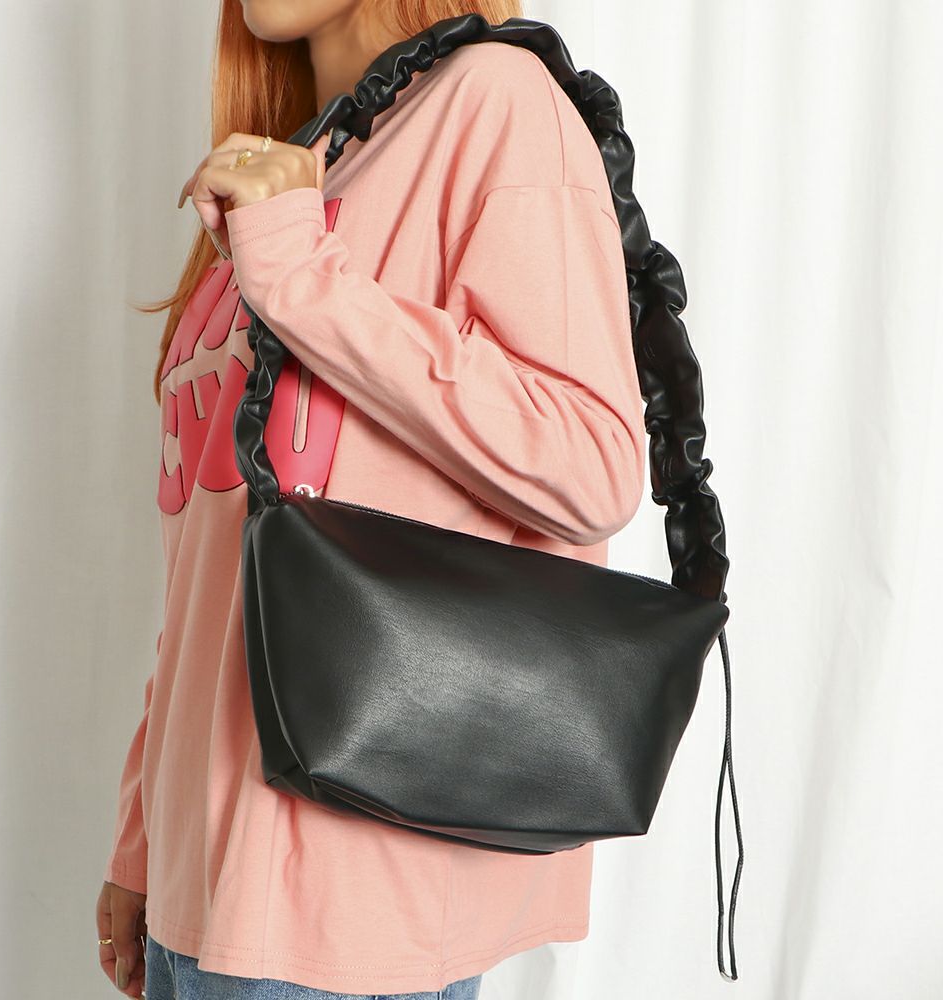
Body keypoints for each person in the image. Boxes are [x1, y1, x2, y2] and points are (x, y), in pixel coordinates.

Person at [95, 1, 647, 998]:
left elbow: (593, 461)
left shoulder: (494, 98)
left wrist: (300, 272)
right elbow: (213, 572)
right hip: (201, 888)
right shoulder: (297, 160)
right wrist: (144, 837)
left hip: (349, 903)